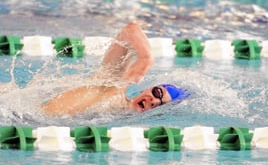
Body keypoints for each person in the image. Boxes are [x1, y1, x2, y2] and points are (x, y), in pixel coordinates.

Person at [42, 22, 188, 116]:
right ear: (148, 89)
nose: (154, 100)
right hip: (28, 116)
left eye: (160, 105)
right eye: (157, 92)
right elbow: (130, 29)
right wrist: (146, 57)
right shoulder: (114, 86)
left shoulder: (120, 121)